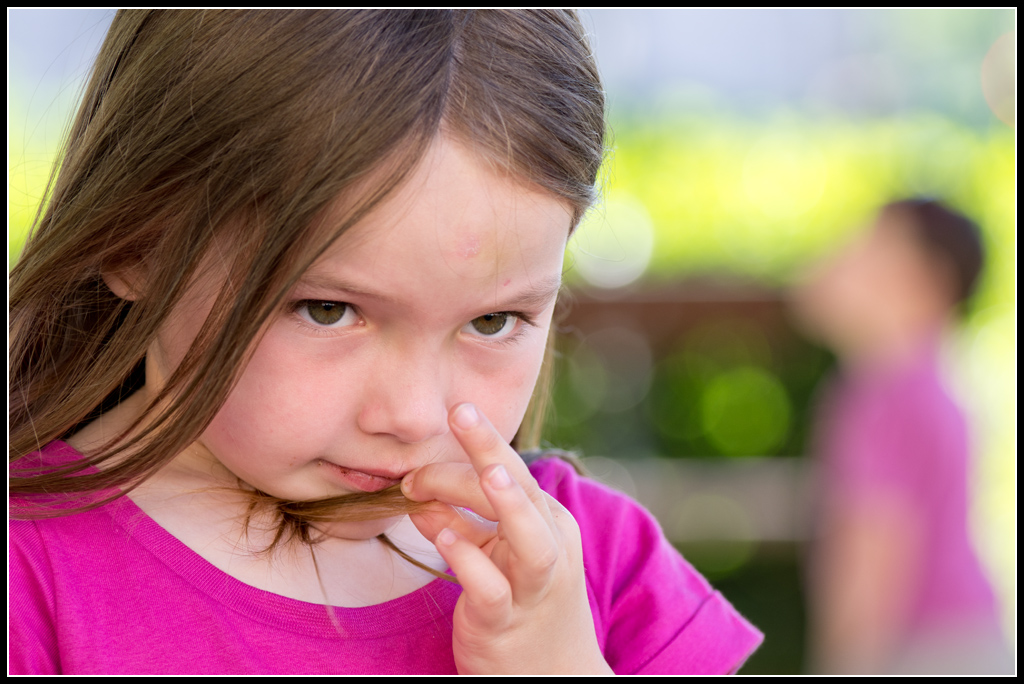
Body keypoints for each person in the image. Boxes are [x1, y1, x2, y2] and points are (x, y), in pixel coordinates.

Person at [8, 10, 762, 675]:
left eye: (493, 322)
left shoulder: (595, 567)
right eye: (329, 310)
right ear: (138, 244)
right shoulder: (29, 578)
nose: (412, 415)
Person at [792, 199, 1010, 674]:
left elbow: (872, 571)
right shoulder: (919, 381)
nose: (838, 259)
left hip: (927, 653)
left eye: (869, 247)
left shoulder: (886, 398)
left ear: (925, 281)